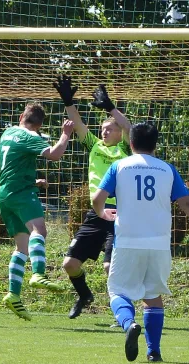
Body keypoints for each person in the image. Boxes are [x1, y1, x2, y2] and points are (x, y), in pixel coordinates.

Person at [92, 122, 189, 362]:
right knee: (152, 295)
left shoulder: (119, 166)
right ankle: (154, 352)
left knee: (117, 291)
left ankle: (129, 324)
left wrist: (101, 213)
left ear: (130, 143)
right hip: (159, 244)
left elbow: (98, 198)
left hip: (128, 241)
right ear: (155, 145)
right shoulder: (167, 169)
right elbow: (188, 204)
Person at [53, 75, 132, 321]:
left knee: (111, 267)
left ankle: (122, 315)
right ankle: (85, 295)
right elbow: (77, 123)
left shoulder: (126, 150)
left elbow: (130, 127)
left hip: (119, 216)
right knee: (69, 264)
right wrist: (68, 101)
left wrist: (110, 108)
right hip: (96, 215)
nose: (105, 131)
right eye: (102, 129)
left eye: (110, 128)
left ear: (120, 134)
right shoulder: (95, 146)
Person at [0, 102, 74, 321]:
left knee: (21, 247)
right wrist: (65, 134)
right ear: (40, 125)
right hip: (22, 193)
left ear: (22, 115)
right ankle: (39, 274)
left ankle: (13, 294)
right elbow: (55, 154)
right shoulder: (31, 137)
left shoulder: (8, 132)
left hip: (5, 193)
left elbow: (14, 164)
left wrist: (33, 179)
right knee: (39, 230)